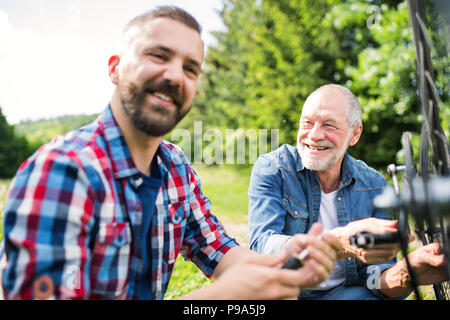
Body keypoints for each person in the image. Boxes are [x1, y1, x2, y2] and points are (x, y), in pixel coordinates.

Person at [0, 6, 341, 300]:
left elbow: (220, 251)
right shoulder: (61, 172)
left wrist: (286, 260)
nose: (176, 76)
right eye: (158, 56)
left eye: (191, 68)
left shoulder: (174, 166)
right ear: (115, 68)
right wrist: (220, 296)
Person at [248, 84, 448, 300]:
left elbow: (374, 280)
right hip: (284, 290)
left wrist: (408, 272)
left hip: (342, 294)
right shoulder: (273, 168)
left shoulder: (374, 185)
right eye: (307, 122)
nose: (314, 135)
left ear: (355, 134)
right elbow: (262, 246)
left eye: (329, 125)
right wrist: (337, 241)